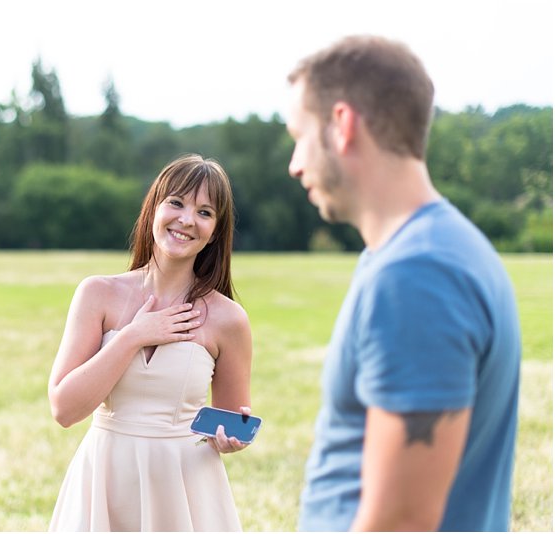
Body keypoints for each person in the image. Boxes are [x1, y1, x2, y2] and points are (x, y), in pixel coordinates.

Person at [284, 35, 521, 531]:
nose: (295, 164)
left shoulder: (419, 274)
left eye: (299, 136)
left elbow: (401, 521)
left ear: (343, 126)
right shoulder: (420, 251)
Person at [47, 154, 253, 531]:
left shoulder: (229, 319)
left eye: (204, 212)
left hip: (184, 488)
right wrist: (133, 336)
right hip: (105, 478)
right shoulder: (97, 294)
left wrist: (228, 441)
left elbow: (228, 422)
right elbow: (64, 410)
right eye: (176, 203)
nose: (187, 220)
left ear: (216, 231)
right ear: (153, 208)